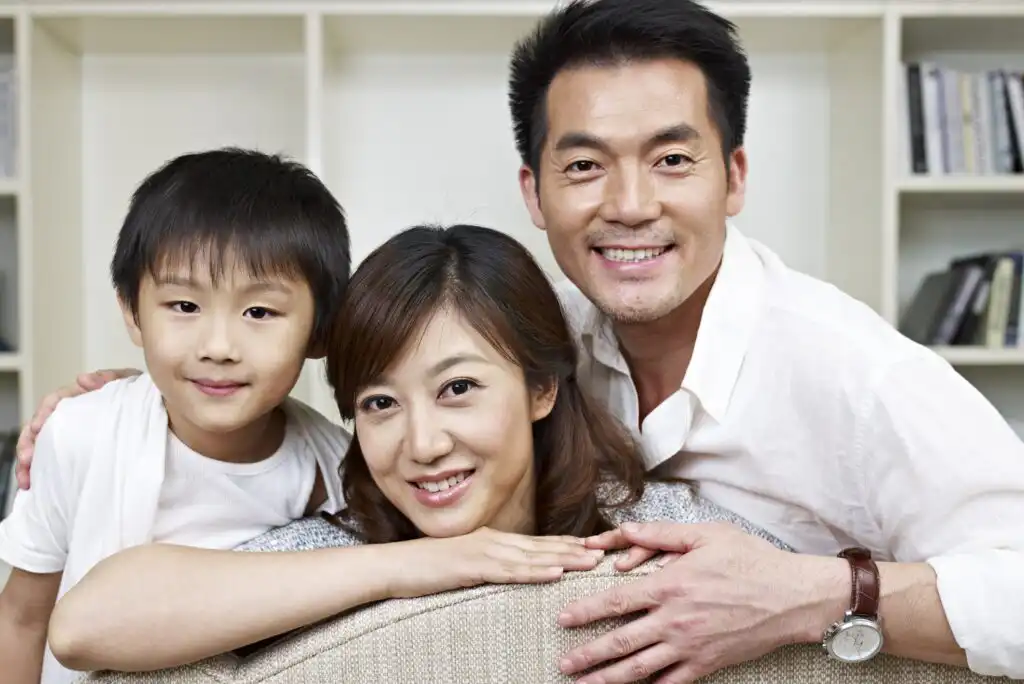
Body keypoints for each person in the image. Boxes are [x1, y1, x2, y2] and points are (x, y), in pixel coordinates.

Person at [18, 0, 1024, 681]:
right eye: (584, 166)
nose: (628, 205)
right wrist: (156, 395)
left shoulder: (852, 380)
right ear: (533, 193)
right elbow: (98, 615)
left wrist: (824, 592)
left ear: (734, 176)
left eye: (671, 158)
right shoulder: (553, 320)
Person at [42, 224, 794, 677]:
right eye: (379, 404)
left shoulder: (655, 530)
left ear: (541, 390)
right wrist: (415, 565)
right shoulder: (337, 553)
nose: (423, 445)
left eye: (459, 388)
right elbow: (84, 626)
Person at [0, 148, 354, 684]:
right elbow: (22, 619)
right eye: (184, 306)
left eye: (259, 312)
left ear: (321, 331)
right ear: (132, 312)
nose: (218, 346)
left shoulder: (337, 470)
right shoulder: (80, 435)